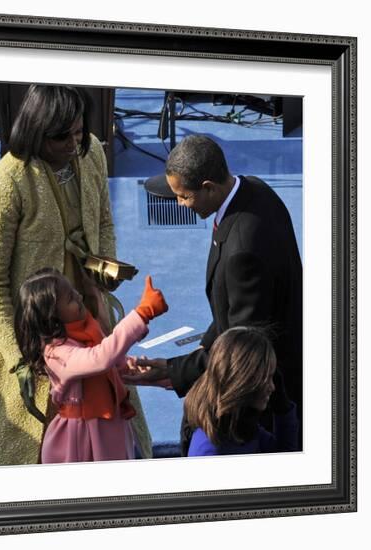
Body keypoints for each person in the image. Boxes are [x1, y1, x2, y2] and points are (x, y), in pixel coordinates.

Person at [0, 84, 152, 467]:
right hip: (32, 330)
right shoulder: (7, 181)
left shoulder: (90, 154)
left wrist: (103, 273)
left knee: (105, 411)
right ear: (37, 132)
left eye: (78, 131)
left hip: (85, 311)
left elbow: (103, 220)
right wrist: (20, 359)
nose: (74, 143)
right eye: (62, 137)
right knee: (32, 445)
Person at [124, 134, 302, 453]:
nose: (179, 204)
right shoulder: (255, 190)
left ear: (208, 187)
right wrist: (176, 365)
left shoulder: (242, 252)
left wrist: (172, 372)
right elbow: (229, 316)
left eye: (183, 197)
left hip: (264, 402)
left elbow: (241, 347)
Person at [14, 269, 168, 463]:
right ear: (52, 317)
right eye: (70, 298)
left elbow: (109, 362)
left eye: (74, 291)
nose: (78, 296)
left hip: (110, 427)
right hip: (81, 440)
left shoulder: (85, 330)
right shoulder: (56, 354)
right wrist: (142, 313)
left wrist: (134, 367)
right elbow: (100, 358)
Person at [185, 326, 298, 456]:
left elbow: (285, 458)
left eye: (273, 377)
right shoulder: (209, 451)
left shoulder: (240, 427)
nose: (273, 387)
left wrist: (283, 408)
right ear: (243, 381)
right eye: (265, 379)